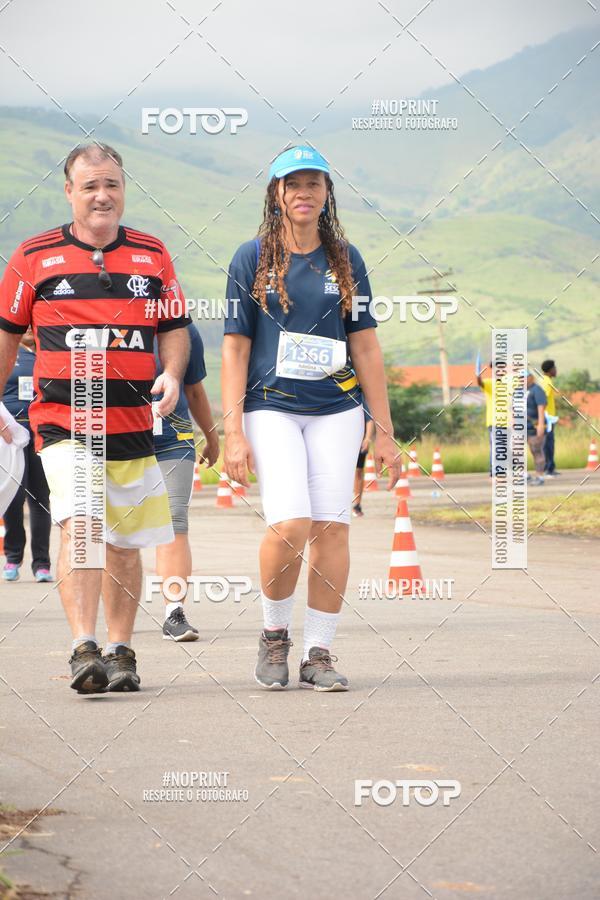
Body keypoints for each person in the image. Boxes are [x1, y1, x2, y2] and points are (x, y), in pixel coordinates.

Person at [0, 143, 190, 694]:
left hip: (134, 423)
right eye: (89, 186)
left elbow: (175, 325)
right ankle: (84, 648)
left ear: (124, 187)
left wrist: (173, 374)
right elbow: (7, 337)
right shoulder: (33, 257)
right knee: (80, 527)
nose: (102, 195)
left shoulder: (153, 254)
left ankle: (121, 650)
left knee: (127, 546)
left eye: (111, 184)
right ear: (69, 192)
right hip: (63, 421)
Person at [222, 145, 401, 692]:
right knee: (291, 523)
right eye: (292, 183)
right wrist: (232, 430)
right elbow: (233, 348)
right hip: (270, 407)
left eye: (314, 184)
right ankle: (274, 634)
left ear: (327, 194)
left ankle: (317, 653)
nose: (303, 193)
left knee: (332, 529)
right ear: (276, 193)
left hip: (336, 409)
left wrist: (386, 430)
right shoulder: (251, 258)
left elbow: (366, 347)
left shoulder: (346, 259)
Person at [152, 321, 219, 641]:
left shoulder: (184, 331)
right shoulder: (110, 319)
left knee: (174, 518)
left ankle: (173, 612)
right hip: (120, 438)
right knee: (115, 531)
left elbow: (194, 389)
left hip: (174, 439)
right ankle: (112, 616)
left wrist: (212, 436)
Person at [1, 327, 52, 582]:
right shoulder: (7, 352)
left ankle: (42, 563)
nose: (31, 330)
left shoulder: (47, 353)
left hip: (41, 432)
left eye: (34, 325)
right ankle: (12, 557)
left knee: (40, 499)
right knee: (13, 498)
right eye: (26, 326)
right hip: (11, 436)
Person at [352, 413, 375, 517]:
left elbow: (369, 419)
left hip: (360, 442)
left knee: (358, 471)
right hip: (343, 441)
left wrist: (367, 438)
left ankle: (357, 504)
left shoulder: (361, 399)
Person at [526, 371, 547, 485]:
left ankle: (540, 477)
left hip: (533, 426)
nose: (521, 380)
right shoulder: (518, 391)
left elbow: (541, 407)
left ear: (531, 378)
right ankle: (524, 475)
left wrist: (540, 425)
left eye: (524, 377)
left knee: (536, 451)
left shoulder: (537, 390)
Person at [540, 359, 559, 477]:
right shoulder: (547, 382)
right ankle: (547, 469)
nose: (556, 370)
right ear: (550, 370)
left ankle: (550, 467)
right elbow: (543, 400)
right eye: (554, 368)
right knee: (548, 443)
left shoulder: (546, 380)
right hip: (547, 418)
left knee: (549, 442)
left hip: (549, 417)